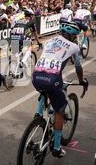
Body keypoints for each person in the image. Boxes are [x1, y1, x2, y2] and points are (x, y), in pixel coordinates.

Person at [32, 20, 87, 158]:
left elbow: (51, 60)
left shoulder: (49, 41)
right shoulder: (74, 46)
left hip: (36, 76)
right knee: (60, 110)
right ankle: (57, 147)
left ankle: (38, 116)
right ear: (72, 35)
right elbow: (78, 68)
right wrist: (81, 81)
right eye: (75, 36)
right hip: (53, 79)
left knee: (45, 90)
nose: (75, 39)